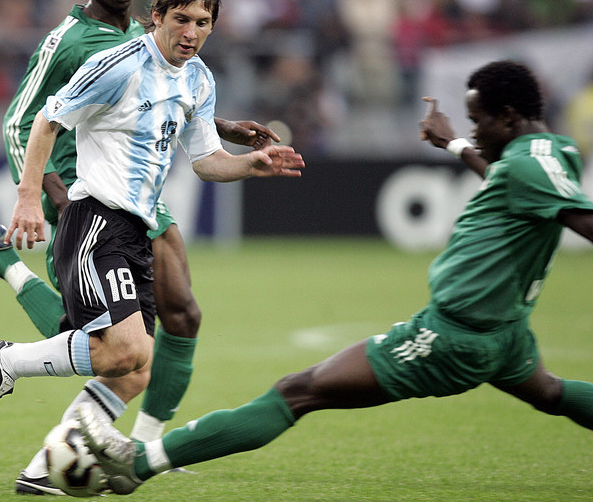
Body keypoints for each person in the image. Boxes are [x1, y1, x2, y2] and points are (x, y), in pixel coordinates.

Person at [74, 59, 593, 495]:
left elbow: (578, 218)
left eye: (479, 121)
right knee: (549, 393)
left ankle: (136, 465)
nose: (474, 129)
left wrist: (463, 149)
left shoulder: (528, 168)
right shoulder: (549, 155)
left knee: (297, 391)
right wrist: (457, 148)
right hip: (506, 334)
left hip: (454, 337)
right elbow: (514, 184)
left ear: (507, 115)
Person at [0, 0, 280, 495]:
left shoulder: (184, 66)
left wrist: (247, 157)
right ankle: (5, 346)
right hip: (88, 204)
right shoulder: (81, 44)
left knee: (138, 357)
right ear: (160, 15)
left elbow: (187, 135)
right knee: (110, 343)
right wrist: (36, 194)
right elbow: (30, 120)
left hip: (140, 211)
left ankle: (53, 464)